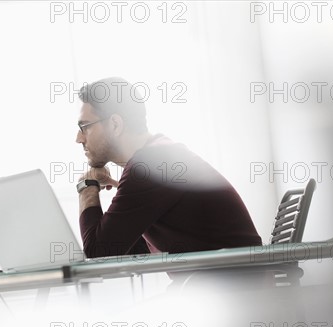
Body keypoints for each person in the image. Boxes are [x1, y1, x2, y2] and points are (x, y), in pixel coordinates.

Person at [75, 77, 262, 262]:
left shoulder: (150, 163)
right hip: (228, 281)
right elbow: (124, 248)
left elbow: (99, 252)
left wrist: (87, 187)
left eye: (85, 126)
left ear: (115, 124)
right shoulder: (157, 154)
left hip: (235, 286)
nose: (79, 138)